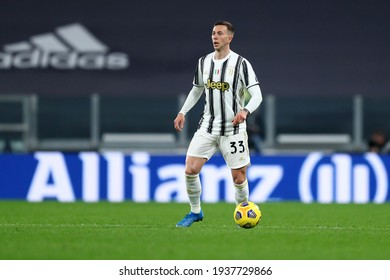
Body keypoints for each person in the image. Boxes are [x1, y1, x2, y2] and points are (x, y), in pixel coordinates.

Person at [173, 20, 263, 227]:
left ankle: (243, 212)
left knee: (239, 178)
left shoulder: (241, 64)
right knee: (190, 170)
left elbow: (257, 95)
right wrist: (182, 111)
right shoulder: (204, 62)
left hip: (233, 129)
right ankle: (195, 212)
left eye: (220, 33)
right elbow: (197, 89)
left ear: (229, 38)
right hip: (207, 126)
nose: (215, 37)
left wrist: (245, 110)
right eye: (213, 33)